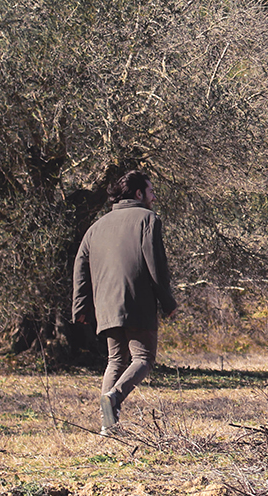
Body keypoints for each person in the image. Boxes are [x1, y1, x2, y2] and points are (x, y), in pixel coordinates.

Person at [72, 169, 178, 435]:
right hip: (137, 299)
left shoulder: (95, 227)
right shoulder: (148, 219)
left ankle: (108, 424)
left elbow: (80, 266)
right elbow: (156, 264)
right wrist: (167, 302)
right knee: (143, 358)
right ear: (139, 193)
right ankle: (114, 397)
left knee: (116, 360)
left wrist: (81, 306)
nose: (154, 197)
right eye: (151, 191)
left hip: (105, 304)